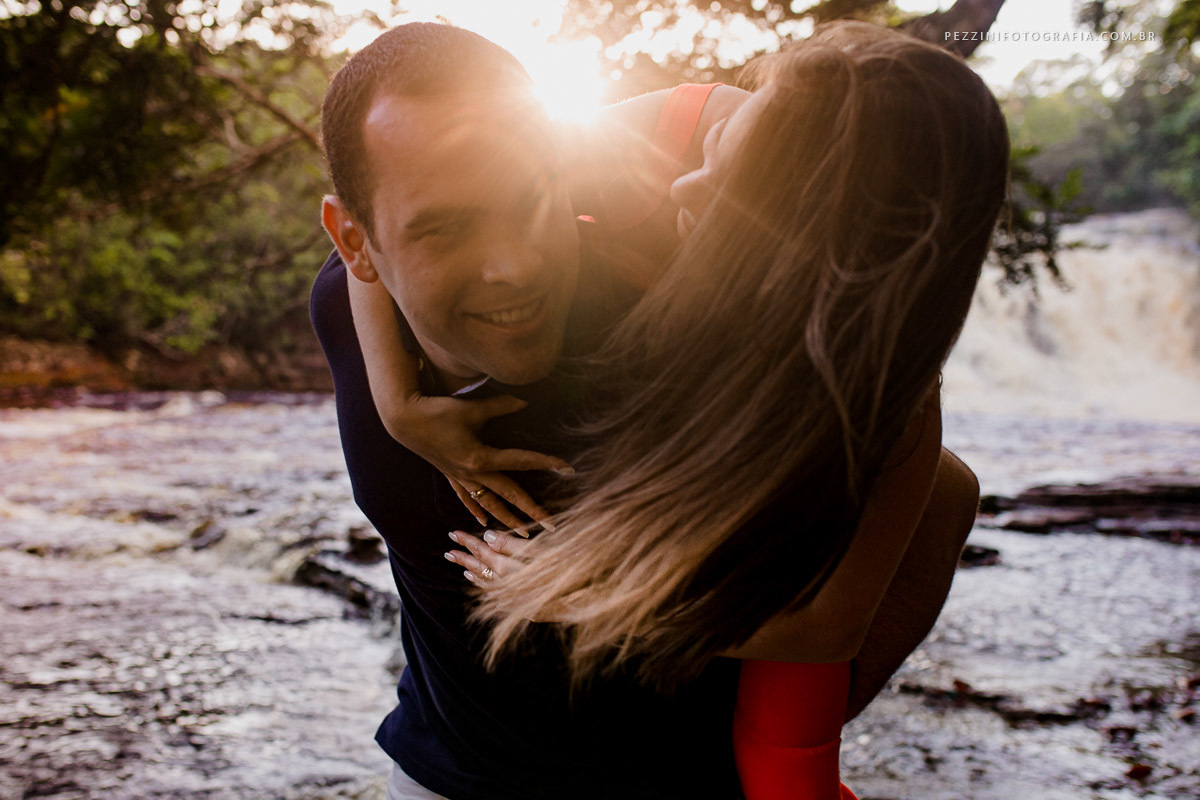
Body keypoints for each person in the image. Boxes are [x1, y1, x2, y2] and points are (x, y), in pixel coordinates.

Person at [312, 20, 991, 800]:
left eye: (531, 201)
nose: (514, 263)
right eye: (445, 229)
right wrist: (395, 401)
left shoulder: (695, 308)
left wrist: (599, 597)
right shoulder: (354, 302)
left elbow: (938, 499)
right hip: (442, 775)